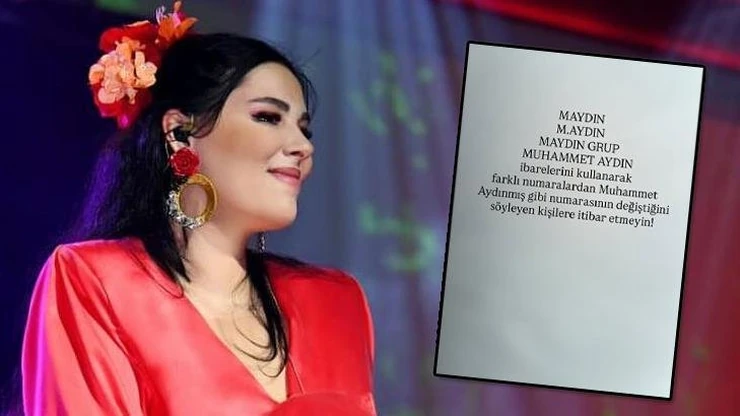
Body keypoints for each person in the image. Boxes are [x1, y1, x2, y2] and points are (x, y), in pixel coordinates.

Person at [20, 2, 376, 415]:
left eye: (304, 129)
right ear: (180, 133)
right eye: (268, 117)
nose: (302, 147)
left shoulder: (337, 302)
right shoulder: (96, 281)